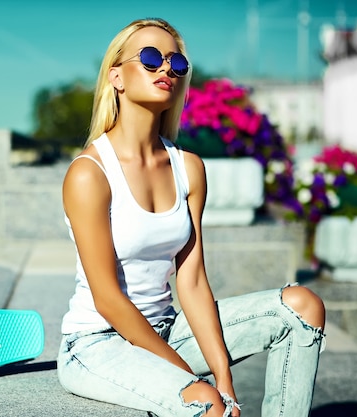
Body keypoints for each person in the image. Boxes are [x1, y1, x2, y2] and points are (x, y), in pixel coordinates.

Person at [56, 17, 326, 417]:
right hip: (98, 343)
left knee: (302, 306)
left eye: (176, 63)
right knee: (205, 405)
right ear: (117, 76)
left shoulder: (189, 168)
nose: (166, 68)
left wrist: (223, 378)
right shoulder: (90, 173)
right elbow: (108, 299)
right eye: (150, 58)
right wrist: (194, 381)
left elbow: (193, 279)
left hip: (167, 329)